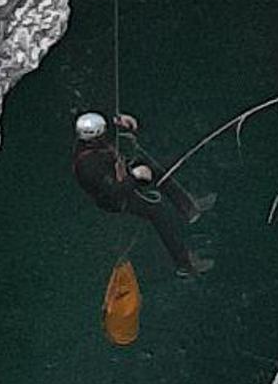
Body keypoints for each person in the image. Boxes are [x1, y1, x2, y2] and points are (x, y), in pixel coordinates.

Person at [72, 112, 215, 276]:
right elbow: (113, 193)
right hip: (116, 198)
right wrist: (135, 177)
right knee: (158, 212)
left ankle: (188, 207)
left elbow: (107, 131)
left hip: (120, 177)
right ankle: (185, 264)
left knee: (152, 168)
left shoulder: (91, 143)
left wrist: (118, 121)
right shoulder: (88, 167)